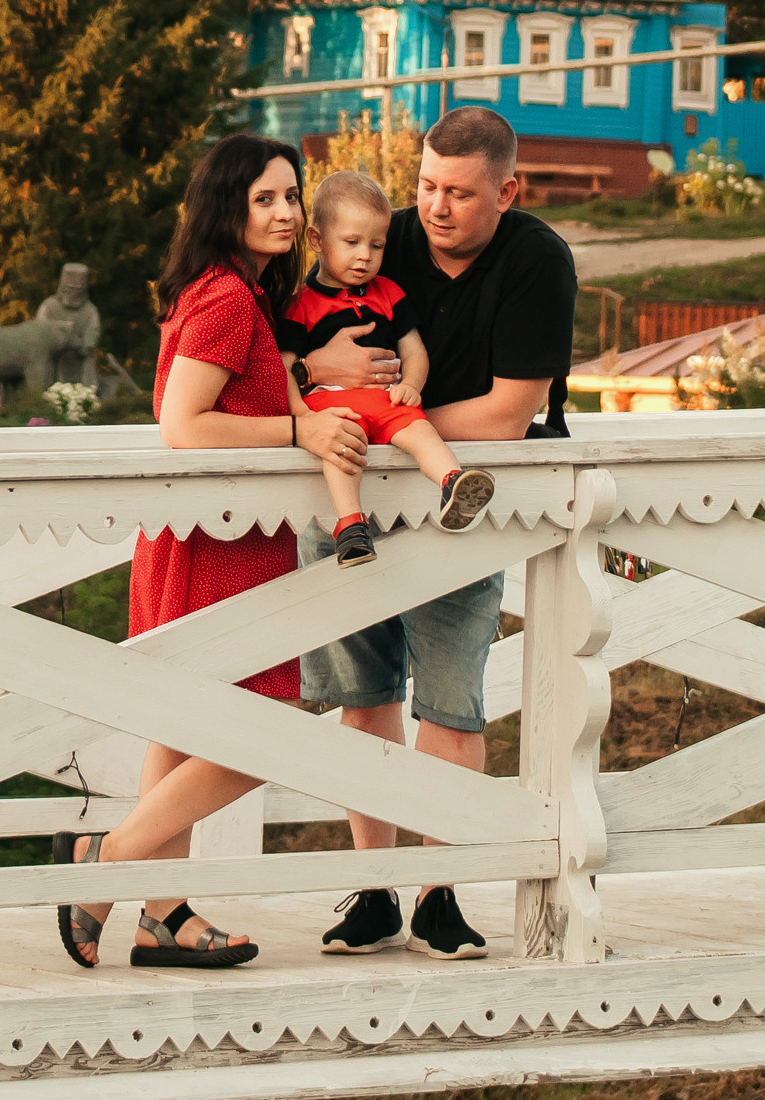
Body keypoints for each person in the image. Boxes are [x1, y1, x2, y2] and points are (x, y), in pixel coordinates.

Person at [54, 135, 368, 973]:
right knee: (257, 731)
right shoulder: (228, 299)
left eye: (292, 198)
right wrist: (300, 428)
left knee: (183, 729)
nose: (287, 213)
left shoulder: (231, 291)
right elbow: (183, 425)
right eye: (266, 198)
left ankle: (162, 914)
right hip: (214, 544)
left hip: (212, 537)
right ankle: (107, 865)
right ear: (226, 205)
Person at [289, 103, 577, 960]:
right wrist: (317, 374)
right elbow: (282, 346)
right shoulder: (380, 238)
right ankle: (374, 892)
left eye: (458, 191)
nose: (436, 207)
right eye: (426, 186)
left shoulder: (535, 261)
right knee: (363, 694)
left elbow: (509, 412)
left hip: (456, 505)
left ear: (507, 190)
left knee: (451, 701)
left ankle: (440, 894)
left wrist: (383, 423)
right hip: (345, 498)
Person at [291, 167, 494, 563]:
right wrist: (300, 415)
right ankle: (351, 526)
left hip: (387, 400)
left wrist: (413, 386)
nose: (365, 255)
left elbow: (414, 350)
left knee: (422, 431)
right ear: (317, 239)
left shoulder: (389, 293)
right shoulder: (301, 303)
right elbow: (285, 366)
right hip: (331, 406)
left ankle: (454, 483)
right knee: (341, 450)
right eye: (351, 242)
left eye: (377, 245)